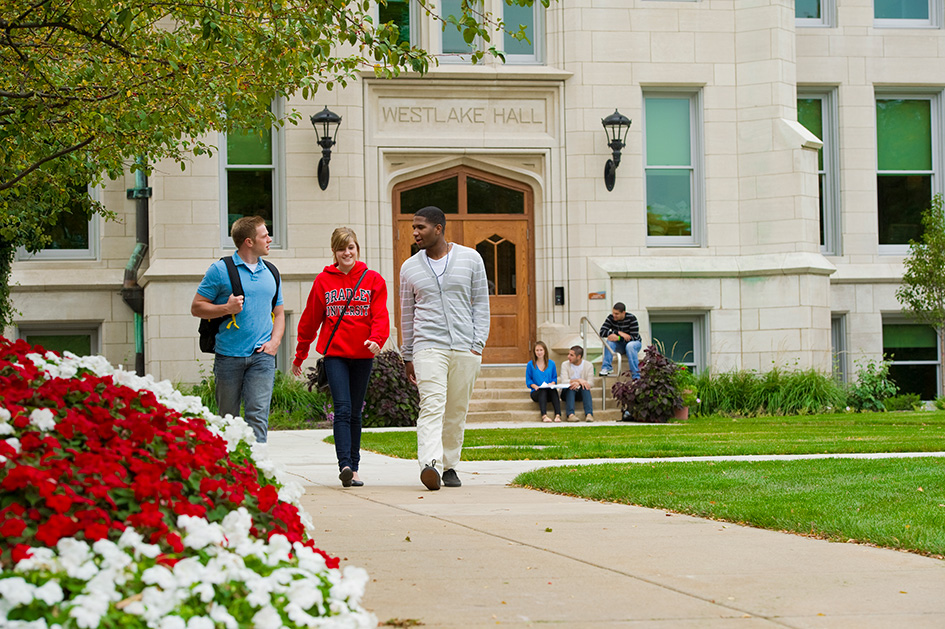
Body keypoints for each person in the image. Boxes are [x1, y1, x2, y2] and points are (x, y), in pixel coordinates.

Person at [401, 206, 490, 491]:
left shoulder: (471, 259)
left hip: (465, 347)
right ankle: (430, 464)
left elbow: (481, 304)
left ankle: (450, 465)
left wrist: (477, 344)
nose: (415, 233)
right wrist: (407, 354)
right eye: (413, 228)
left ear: (438, 228)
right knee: (431, 405)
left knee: (456, 410)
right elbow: (407, 312)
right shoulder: (410, 267)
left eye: (421, 227)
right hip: (428, 346)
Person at [292, 227, 389, 488]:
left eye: (351, 247)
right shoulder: (323, 282)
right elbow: (310, 320)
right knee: (343, 409)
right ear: (334, 252)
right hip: (335, 355)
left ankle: (354, 469)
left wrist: (377, 340)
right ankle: (344, 465)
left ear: (357, 249)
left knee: (355, 412)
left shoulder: (373, 280)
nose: (347, 252)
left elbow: (380, 316)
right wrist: (300, 354)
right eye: (341, 248)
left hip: (363, 355)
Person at [191, 216, 284, 443]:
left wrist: (274, 343)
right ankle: (229, 472)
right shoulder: (220, 270)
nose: (270, 239)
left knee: (258, 417)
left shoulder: (271, 272)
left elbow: (279, 313)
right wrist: (226, 307)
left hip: (262, 356)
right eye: (265, 236)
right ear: (249, 241)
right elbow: (196, 307)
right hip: (228, 356)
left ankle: (257, 471)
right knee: (228, 419)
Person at [599, 302, 642, 378]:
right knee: (609, 342)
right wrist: (618, 332)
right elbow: (602, 332)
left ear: (623, 313)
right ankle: (606, 368)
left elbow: (634, 337)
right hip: (620, 345)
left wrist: (618, 338)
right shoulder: (611, 318)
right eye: (613, 313)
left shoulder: (632, 318)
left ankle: (636, 376)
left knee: (630, 346)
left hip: (634, 344)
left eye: (617, 314)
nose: (614, 316)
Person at [526, 341, 561, 423]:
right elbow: (528, 380)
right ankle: (544, 416)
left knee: (553, 391)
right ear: (534, 352)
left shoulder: (551, 364)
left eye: (541, 350)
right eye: (537, 350)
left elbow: (554, 378)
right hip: (537, 392)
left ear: (545, 351)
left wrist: (552, 383)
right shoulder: (531, 364)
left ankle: (558, 415)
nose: (539, 352)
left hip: (549, 391)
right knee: (542, 391)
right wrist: (535, 386)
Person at [559, 345, 594, 422]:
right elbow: (564, 381)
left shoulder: (588, 365)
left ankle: (589, 414)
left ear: (579, 357)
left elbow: (591, 383)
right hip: (567, 393)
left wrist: (580, 383)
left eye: (571, 355)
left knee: (585, 387)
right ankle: (570, 414)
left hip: (581, 393)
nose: (568, 357)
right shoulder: (565, 364)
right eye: (568, 354)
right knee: (571, 387)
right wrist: (579, 380)